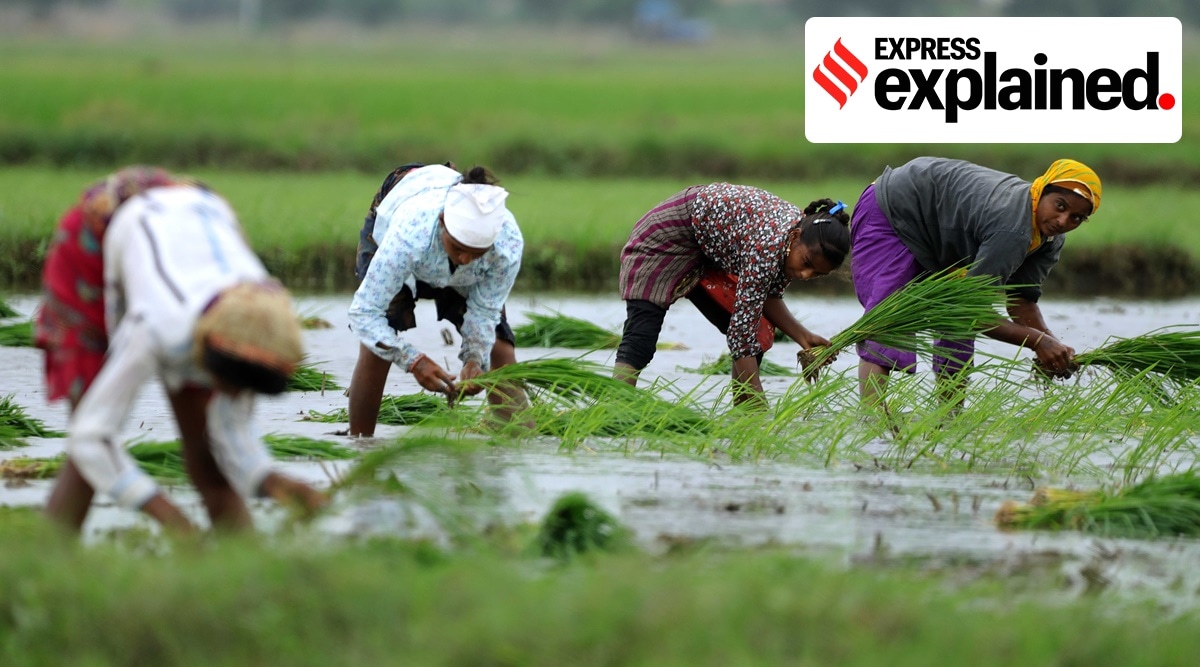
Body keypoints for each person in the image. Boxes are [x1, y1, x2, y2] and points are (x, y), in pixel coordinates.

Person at [35, 167, 326, 534]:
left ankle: (243, 579)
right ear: (206, 351)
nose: (232, 396)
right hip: (99, 235)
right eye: (228, 383)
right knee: (90, 441)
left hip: (187, 216)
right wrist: (168, 516)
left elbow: (230, 429)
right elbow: (91, 436)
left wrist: (270, 480)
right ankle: (44, 566)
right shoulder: (160, 326)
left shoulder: (261, 323)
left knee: (208, 455)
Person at [849, 157, 1101, 409]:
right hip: (892, 208)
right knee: (889, 319)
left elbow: (1021, 300)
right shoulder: (1013, 229)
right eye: (1060, 206)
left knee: (958, 321)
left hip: (939, 232)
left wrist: (1052, 345)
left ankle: (949, 418)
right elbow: (975, 312)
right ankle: (873, 421)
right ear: (1042, 189)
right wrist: (1038, 342)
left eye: (1076, 218)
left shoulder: (1049, 238)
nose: (1063, 221)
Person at [613, 183, 852, 406]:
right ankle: (615, 410)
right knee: (641, 336)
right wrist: (760, 404)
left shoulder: (795, 244)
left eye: (817, 274)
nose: (805, 275)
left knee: (757, 332)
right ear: (794, 237)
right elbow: (740, 333)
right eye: (807, 263)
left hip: (707, 251)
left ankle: (744, 413)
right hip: (665, 238)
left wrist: (804, 336)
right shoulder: (770, 246)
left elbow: (766, 297)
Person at [347, 162, 529, 436]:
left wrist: (474, 360)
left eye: (476, 252)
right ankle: (361, 445)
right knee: (377, 345)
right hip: (404, 201)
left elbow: (485, 311)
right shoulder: (408, 235)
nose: (465, 259)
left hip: (444, 247)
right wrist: (413, 361)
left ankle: (518, 447)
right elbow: (364, 314)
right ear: (443, 222)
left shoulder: (507, 245)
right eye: (458, 249)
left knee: (500, 348)